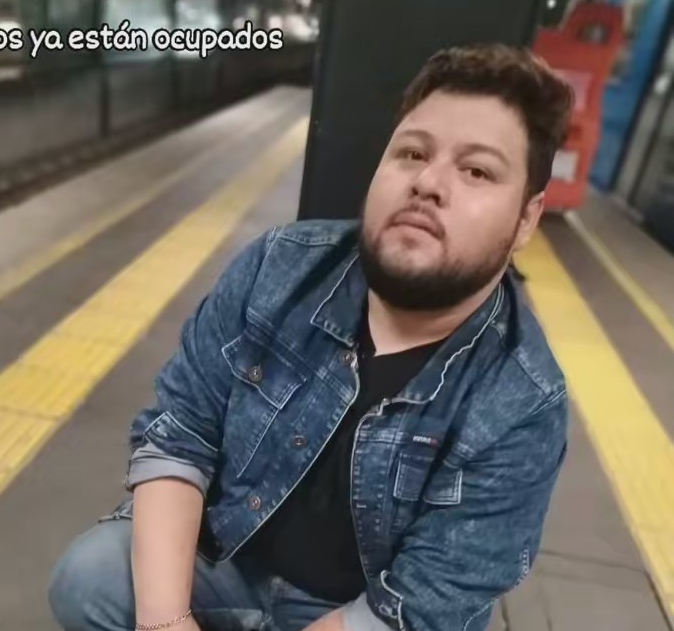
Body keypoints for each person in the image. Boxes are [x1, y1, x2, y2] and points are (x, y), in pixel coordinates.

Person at [49, 44, 573, 631]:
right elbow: (179, 435)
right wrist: (167, 624)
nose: (428, 182)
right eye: (412, 153)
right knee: (92, 578)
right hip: (230, 562)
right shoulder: (278, 268)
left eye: (476, 171)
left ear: (526, 218)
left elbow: (420, 605)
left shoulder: (523, 401)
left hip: (361, 613)